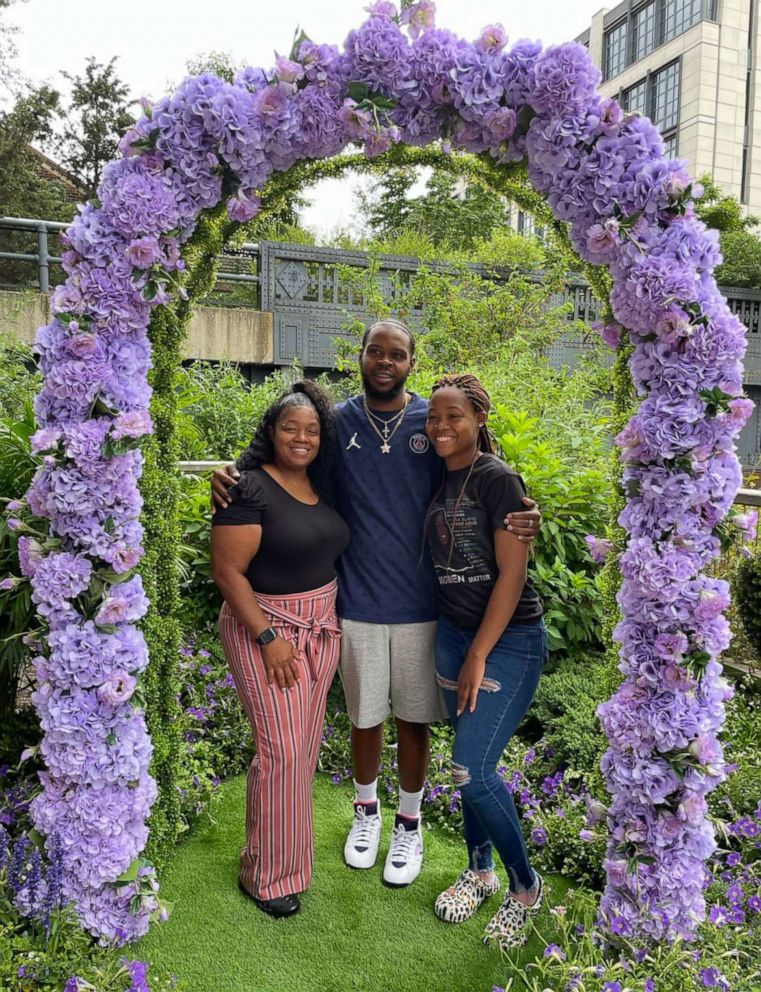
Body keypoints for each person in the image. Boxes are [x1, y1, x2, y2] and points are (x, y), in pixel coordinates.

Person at [211, 319, 541, 890]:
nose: (384, 361)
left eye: (397, 354)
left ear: (412, 361)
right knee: (364, 718)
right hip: (354, 600)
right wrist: (234, 473)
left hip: (423, 605)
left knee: (414, 720)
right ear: (360, 357)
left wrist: (524, 510)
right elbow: (285, 447)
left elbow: (479, 468)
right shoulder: (335, 423)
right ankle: (366, 812)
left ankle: (408, 824)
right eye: (374, 351)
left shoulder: (433, 422)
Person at [210, 381, 350, 919]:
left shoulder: (323, 486)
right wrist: (269, 639)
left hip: (320, 630)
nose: (301, 437)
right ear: (271, 431)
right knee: (281, 752)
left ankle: (290, 862)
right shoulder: (247, 488)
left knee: (303, 751)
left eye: (312, 430)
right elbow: (227, 572)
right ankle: (262, 874)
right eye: (290, 427)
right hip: (267, 628)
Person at [423, 373, 547, 951]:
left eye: (455, 416)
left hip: (509, 639)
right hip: (452, 633)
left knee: (472, 767)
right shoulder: (435, 475)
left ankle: (525, 889)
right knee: (463, 764)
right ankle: (478, 871)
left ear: (479, 421)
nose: (442, 426)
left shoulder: (497, 480)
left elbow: (513, 574)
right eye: (434, 418)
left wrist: (478, 654)